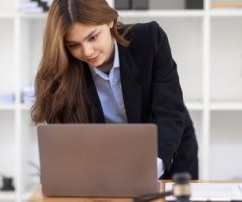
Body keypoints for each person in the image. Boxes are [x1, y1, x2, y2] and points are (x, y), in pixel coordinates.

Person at [31, 0, 198, 179]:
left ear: (110, 21)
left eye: (93, 37)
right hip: (105, 162)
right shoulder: (60, 74)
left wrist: (151, 168)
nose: (87, 52)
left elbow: (169, 111)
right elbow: (64, 145)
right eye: (73, 45)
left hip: (167, 151)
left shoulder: (149, 39)